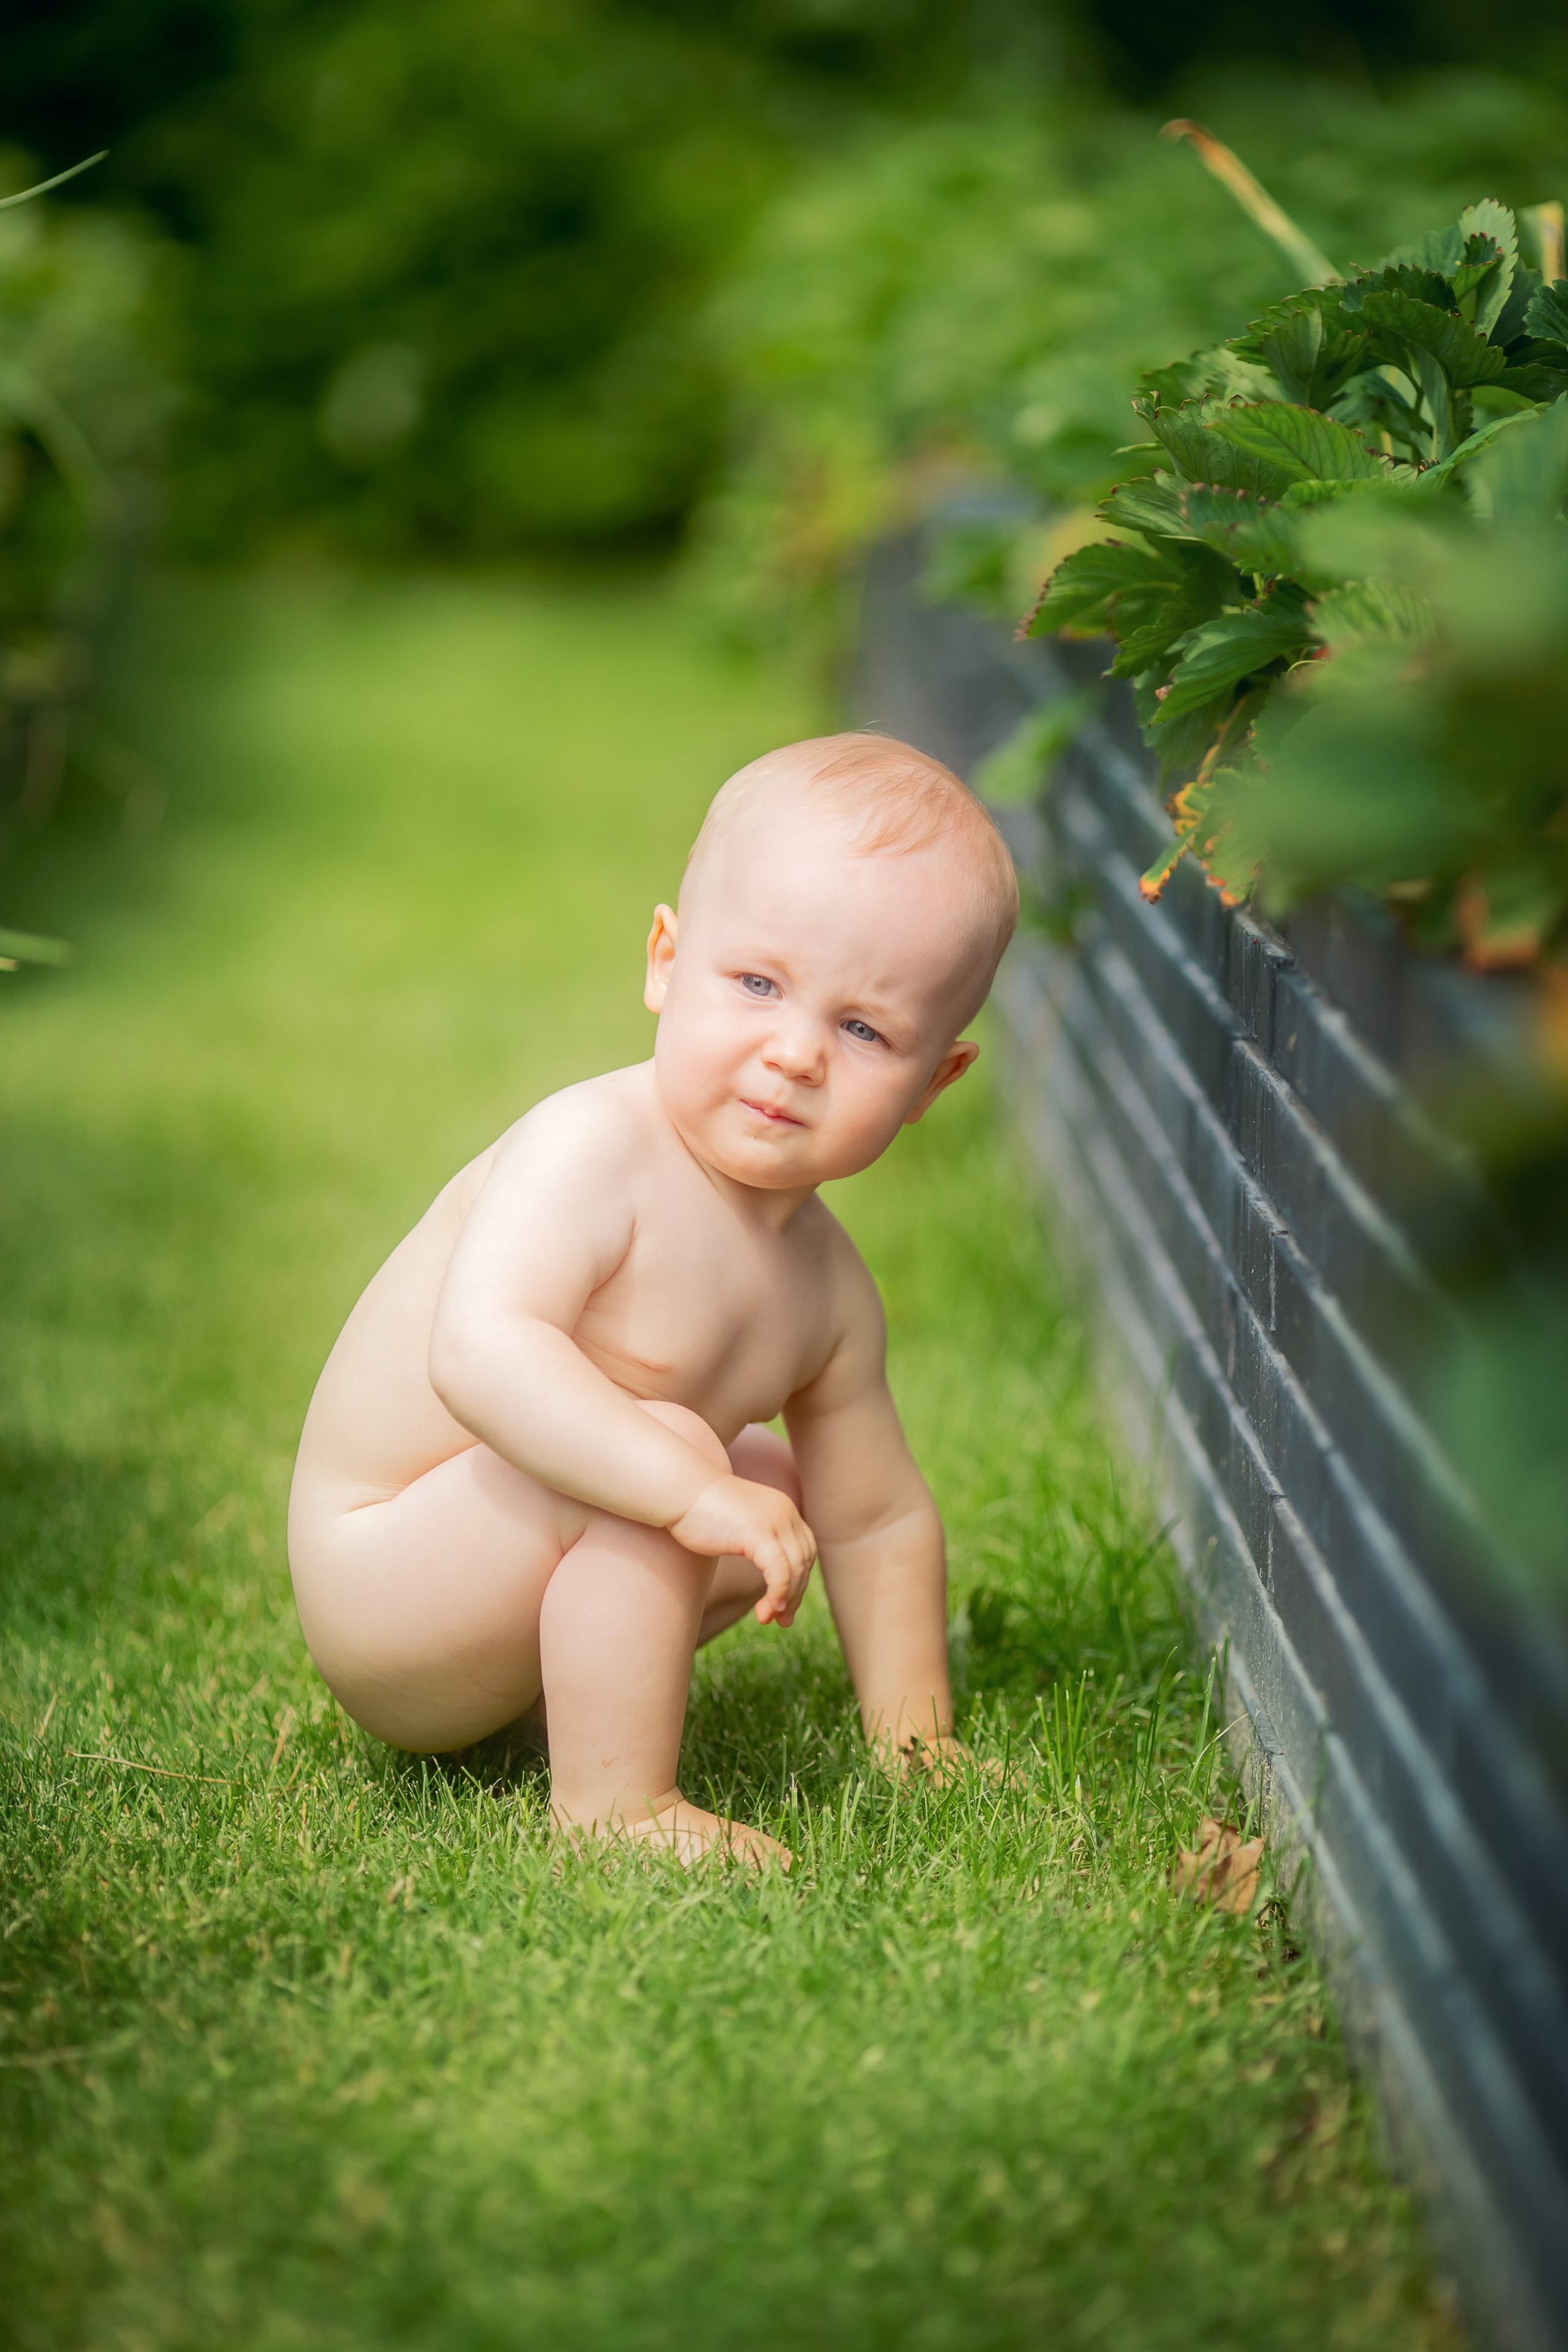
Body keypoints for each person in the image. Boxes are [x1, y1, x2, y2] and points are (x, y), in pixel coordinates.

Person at [287, 732, 1019, 1864]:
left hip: (499, 1595)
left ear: (936, 1082)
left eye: (863, 1029)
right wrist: (684, 1486)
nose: (795, 1054)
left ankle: (573, 1699)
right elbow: (481, 1352)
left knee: (772, 1476)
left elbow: (874, 1517)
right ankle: (615, 1810)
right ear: (666, 961)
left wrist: (912, 1735)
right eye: (759, 984)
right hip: (387, 1583)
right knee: (685, 1453)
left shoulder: (828, 1290)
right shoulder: (591, 1149)